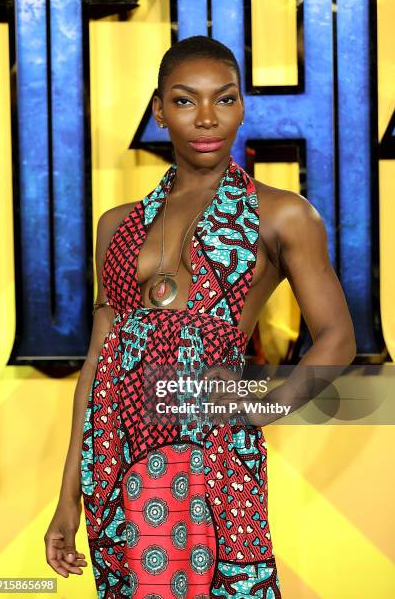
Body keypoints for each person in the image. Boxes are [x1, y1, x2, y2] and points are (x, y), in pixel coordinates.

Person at [44, 35, 356, 597]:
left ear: (242, 107)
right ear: (159, 110)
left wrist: (258, 410)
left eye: (225, 99)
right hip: (116, 459)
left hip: (209, 454)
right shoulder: (116, 225)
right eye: (186, 101)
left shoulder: (283, 213)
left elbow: (337, 338)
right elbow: (97, 364)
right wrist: (68, 493)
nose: (208, 118)